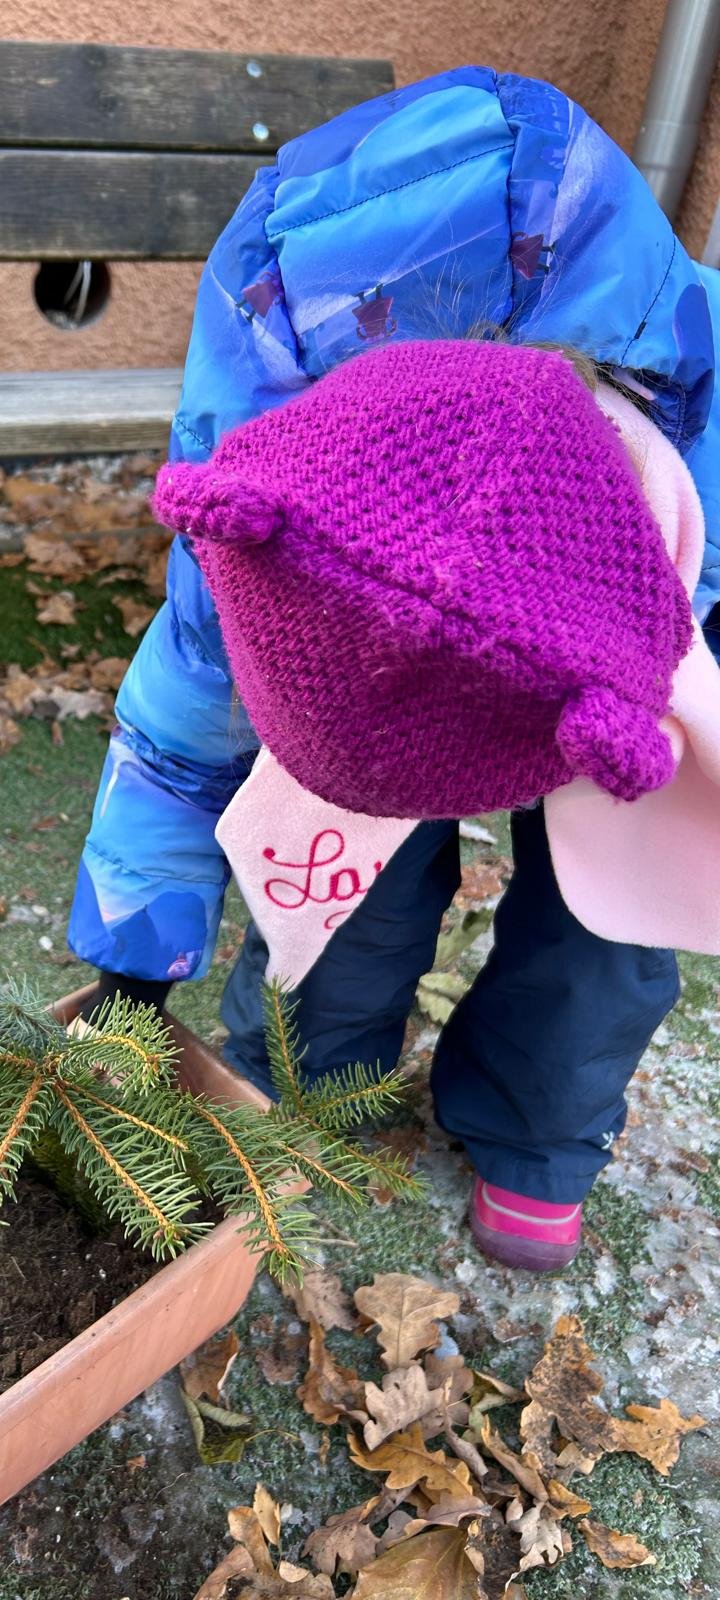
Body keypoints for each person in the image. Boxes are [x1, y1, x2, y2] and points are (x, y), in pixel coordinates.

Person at [66, 66, 720, 1273]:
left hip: (644, 616)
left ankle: (540, 1130)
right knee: (338, 866)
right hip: (339, 462)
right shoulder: (260, 504)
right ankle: (312, 1075)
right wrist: (130, 964)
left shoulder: (696, 487)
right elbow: (185, 710)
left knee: (619, 889)